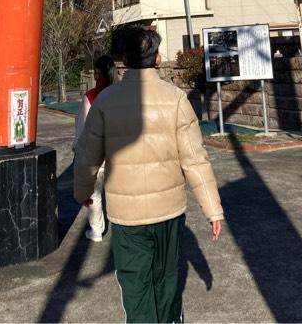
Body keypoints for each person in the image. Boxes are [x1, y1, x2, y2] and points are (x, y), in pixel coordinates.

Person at [74, 26, 223, 324]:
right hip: (168, 210)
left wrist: (83, 193)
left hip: (126, 213)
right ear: (157, 58)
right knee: (167, 276)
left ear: (124, 59)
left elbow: (87, 156)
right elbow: (195, 160)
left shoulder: (105, 102)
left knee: (135, 281)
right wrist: (213, 209)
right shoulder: (177, 99)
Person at [73, 54, 115, 242]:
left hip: (97, 154)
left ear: (97, 72)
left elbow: (83, 126)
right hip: (118, 151)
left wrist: (78, 148)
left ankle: (97, 231)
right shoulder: (119, 92)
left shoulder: (91, 96)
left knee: (94, 194)